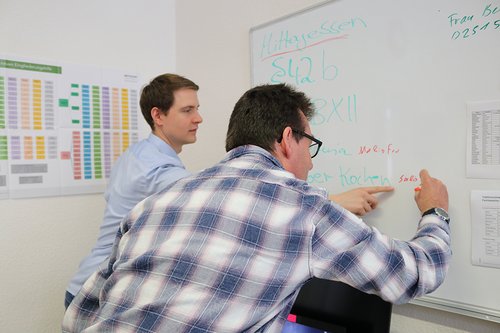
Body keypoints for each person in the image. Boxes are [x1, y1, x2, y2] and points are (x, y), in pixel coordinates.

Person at [63, 83, 451, 332]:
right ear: (287, 140)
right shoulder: (305, 207)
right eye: (310, 146)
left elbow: (78, 316)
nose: (312, 163)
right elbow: (414, 273)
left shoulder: (159, 201)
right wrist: (435, 213)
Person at [64, 73, 203, 308]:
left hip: (86, 285)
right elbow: (208, 203)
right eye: (187, 110)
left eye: (197, 108)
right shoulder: (160, 169)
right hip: (97, 295)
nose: (198, 118)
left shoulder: (138, 154)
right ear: (158, 115)